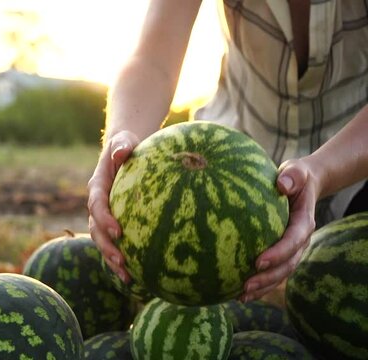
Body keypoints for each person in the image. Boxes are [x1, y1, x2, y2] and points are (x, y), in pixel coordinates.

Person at [87, 0, 368, 303]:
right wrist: (120, 139)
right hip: (220, 164)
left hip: (354, 164)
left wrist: (321, 171)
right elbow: (153, 58)